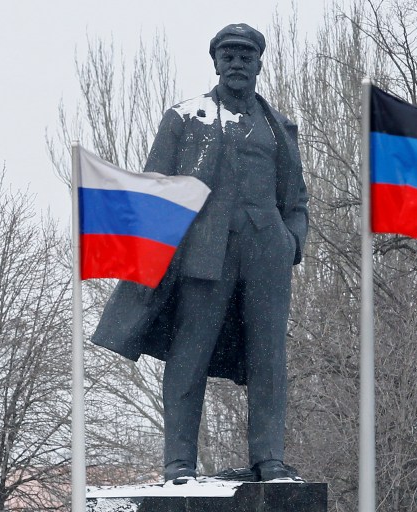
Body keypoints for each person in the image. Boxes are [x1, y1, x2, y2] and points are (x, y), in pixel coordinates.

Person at [91, 23, 308, 484]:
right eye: (228, 56)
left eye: (245, 57)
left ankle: (269, 459)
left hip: (266, 254)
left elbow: (296, 199)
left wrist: (291, 241)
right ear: (215, 62)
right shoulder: (185, 118)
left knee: (269, 359)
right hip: (203, 256)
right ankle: (179, 465)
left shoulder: (279, 125)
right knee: (189, 356)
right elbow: (155, 189)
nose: (236, 63)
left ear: (258, 65)